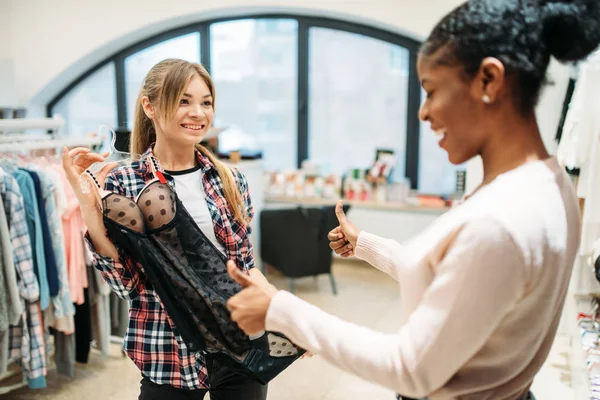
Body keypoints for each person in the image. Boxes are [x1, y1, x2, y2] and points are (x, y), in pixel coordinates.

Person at [224, 1, 600, 399]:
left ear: (489, 80)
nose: (423, 113)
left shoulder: (499, 222)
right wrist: (367, 245)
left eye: (431, 91)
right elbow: (462, 285)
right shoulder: (550, 184)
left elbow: (409, 368)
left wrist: (280, 309)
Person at [62, 58, 271, 400]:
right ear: (150, 106)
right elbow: (128, 283)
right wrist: (89, 210)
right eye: (184, 100)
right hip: (168, 350)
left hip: (242, 347)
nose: (198, 113)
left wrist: (289, 320)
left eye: (206, 102)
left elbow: (245, 271)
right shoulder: (124, 182)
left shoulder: (231, 181)